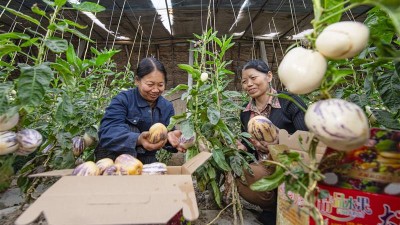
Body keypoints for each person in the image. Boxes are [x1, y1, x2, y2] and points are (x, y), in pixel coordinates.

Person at [236, 59, 308, 225]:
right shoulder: (245, 113)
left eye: (253, 78)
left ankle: (291, 206)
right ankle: (270, 207)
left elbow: (306, 137)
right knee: (244, 173)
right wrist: (241, 147)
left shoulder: (289, 101)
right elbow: (247, 144)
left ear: (269, 76)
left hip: (292, 163)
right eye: (244, 81)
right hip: (265, 166)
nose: (249, 84)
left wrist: (278, 142)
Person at [95, 57, 185, 164]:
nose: (156, 90)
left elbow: (164, 135)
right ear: (137, 81)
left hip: (144, 161)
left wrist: (170, 138)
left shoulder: (166, 107)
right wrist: (138, 139)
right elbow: (108, 132)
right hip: (113, 159)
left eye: (160, 85)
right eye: (150, 84)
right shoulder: (123, 100)